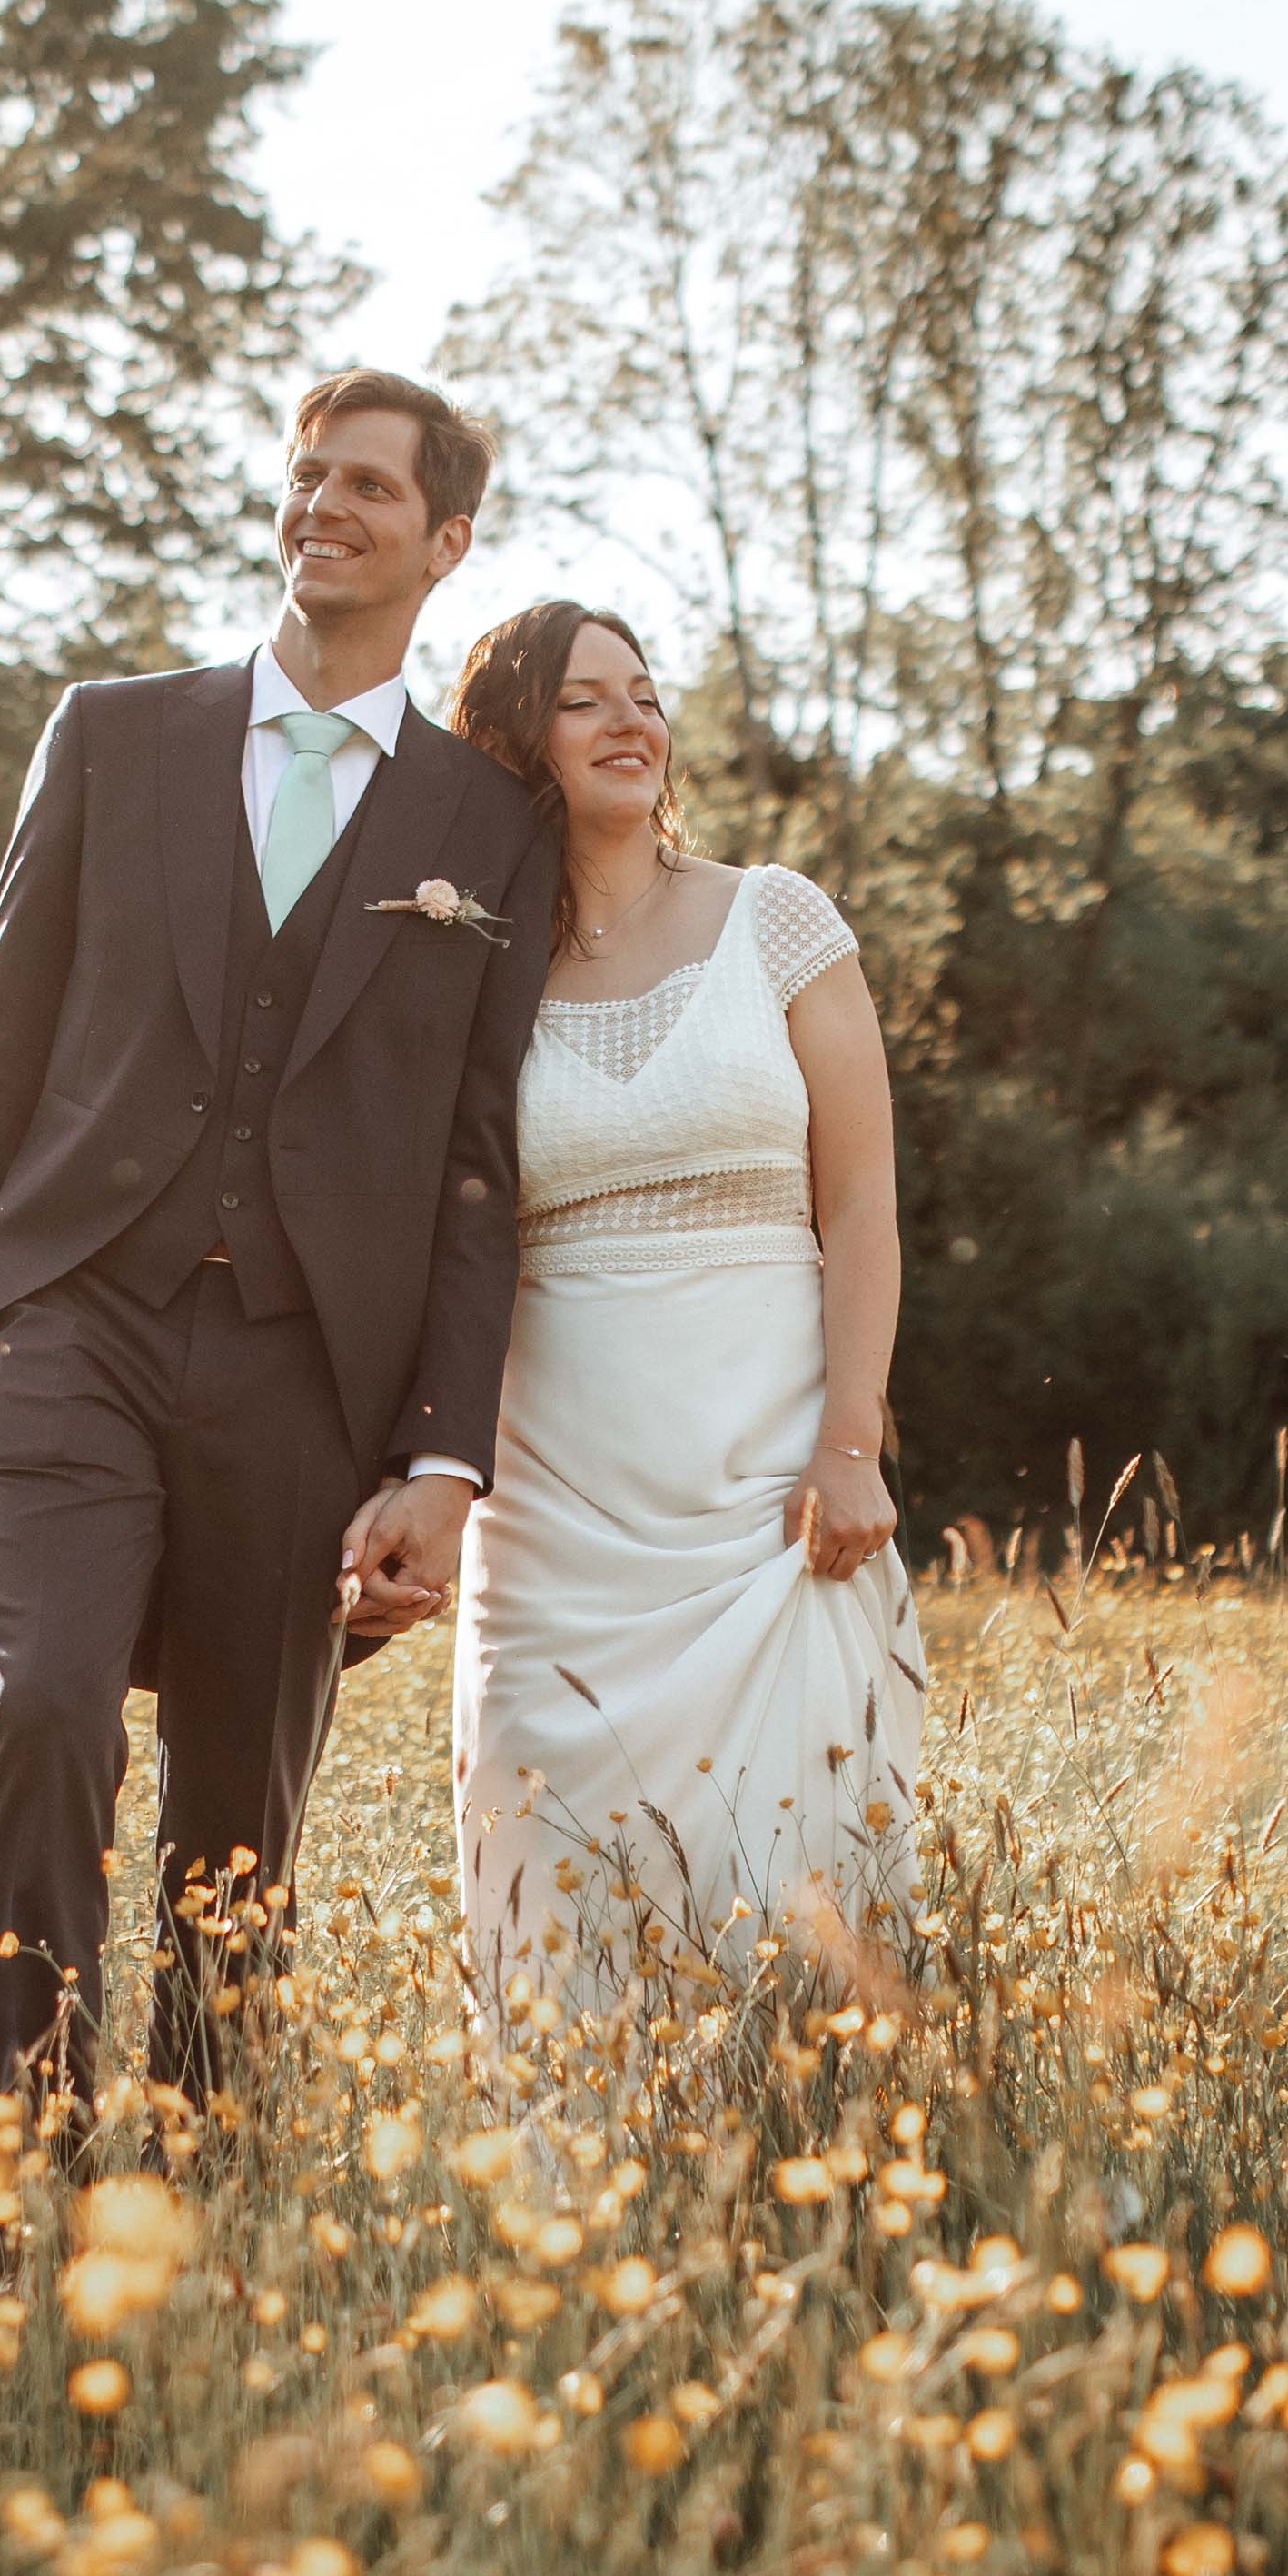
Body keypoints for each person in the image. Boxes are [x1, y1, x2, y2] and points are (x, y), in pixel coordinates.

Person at [0, 369, 557, 2126]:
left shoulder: (482, 825)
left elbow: (477, 1165)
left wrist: (445, 1457)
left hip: (310, 1369)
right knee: (44, 1708)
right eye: (310, 477)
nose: (325, 508)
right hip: (75, 1323)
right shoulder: (113, 735)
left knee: (242, 1805)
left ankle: (197, 2170)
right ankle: (28, 2138)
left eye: (370, 487)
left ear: (446, 540)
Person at [436, 599, 920, 2054]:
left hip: (769, 1495)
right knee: (554, 1890)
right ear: (519, 739)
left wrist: (852, 1443)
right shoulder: (470, 966)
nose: (632, 722)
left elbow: (867, 1203)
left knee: (794, 1892)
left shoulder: (775, 916)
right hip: (552, 1515)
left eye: (644, 696)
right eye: (585, 701)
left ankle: (809, 2214)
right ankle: (568, 2235)